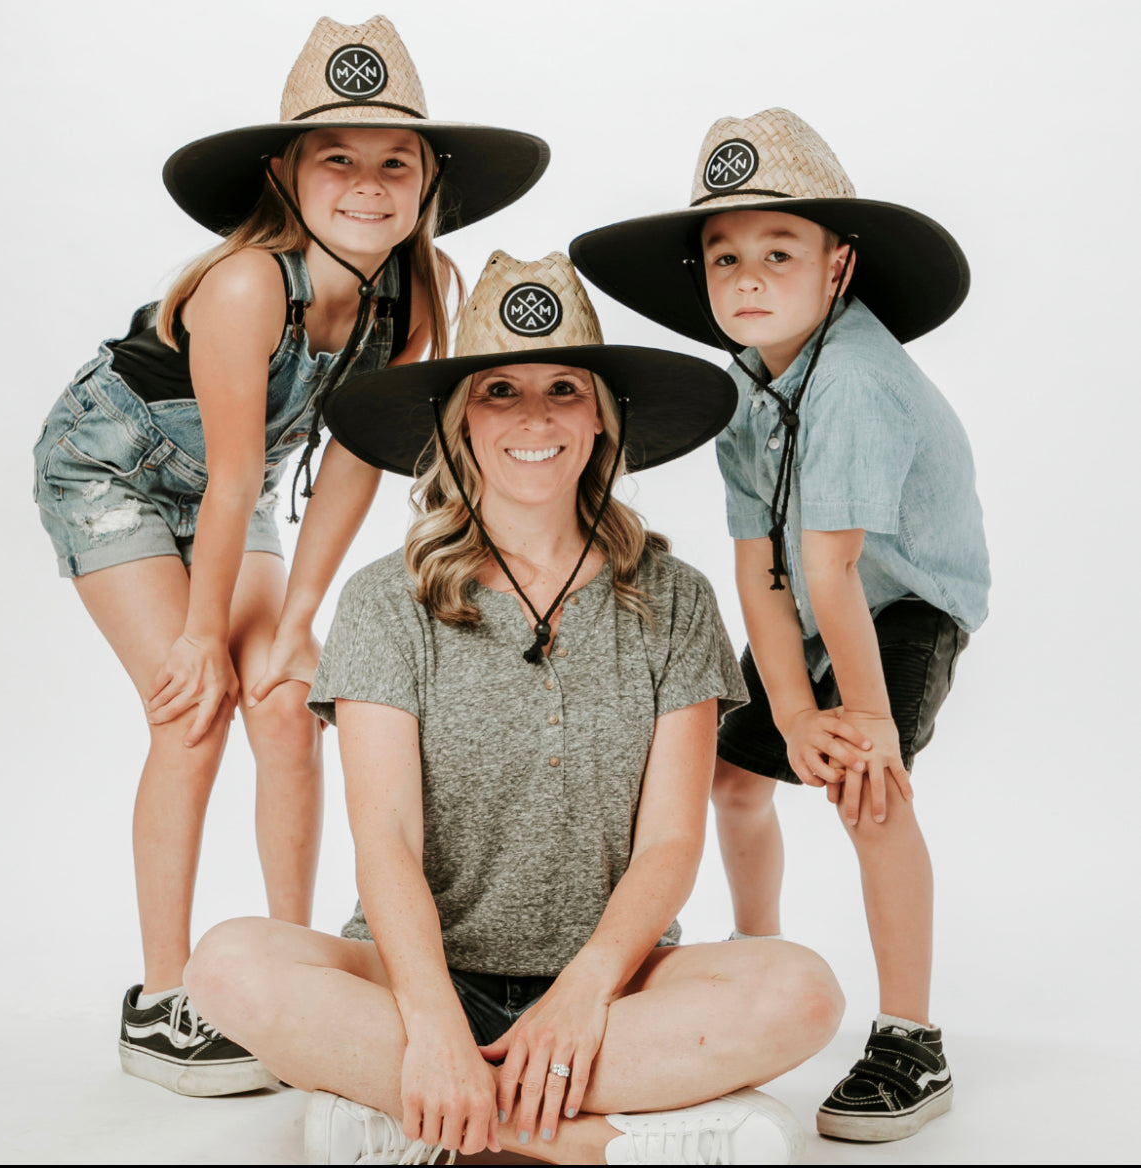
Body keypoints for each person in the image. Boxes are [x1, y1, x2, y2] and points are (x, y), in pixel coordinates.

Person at [183, 252, 844, 1165]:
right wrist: (434, 1023)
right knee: (225, 964)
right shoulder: (387, 599)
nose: (534, 417)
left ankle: (414, 1119)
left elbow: (669, 846)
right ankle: (584, 1139)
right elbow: (386, 840)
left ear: (603, 417)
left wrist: (581, 996)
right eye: (499, 390)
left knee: (803, 991)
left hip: (614, 986)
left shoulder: (675, 595)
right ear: (459, 423)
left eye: (565, 388)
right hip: (416, 977)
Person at [31, 15, 548, 1096]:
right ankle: (163, 997)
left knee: (284, 697)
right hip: (116, 468)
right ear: (286, 172)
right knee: (194, 705)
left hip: (238, 485)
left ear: (429, 177)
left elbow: (359, 454)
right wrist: (195, 638)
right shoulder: (245, 285)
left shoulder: (422, 287)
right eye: (337, 160)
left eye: (394, 162)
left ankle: (287, 970)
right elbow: (223, 479)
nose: (368, 185)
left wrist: (299, 614)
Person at [571, 109, 989, 1142]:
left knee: (864, 777)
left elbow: (836, 567)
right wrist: (785, 712)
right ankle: (756, 953)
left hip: (898, 599)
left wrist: (852, 718)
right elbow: (761, 567)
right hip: (811, 596)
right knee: (731, 771)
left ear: (838, 265)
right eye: (726, 258)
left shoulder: (848, 377)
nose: (748, 278)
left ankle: (911, 1035)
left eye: (779, 252)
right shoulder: (752, 379)